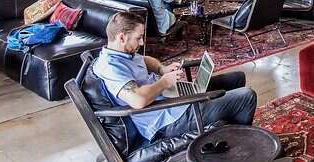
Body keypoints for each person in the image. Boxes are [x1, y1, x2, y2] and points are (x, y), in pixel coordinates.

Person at [90, 11, 256, 142]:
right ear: (121, 37)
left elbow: (144, 60)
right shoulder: (111, 67)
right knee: (246, 96)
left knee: (236, 78)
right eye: (138, 38)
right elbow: (138, 100)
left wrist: (161, 69)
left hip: (171, 100)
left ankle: (230, 134)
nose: (142, 43)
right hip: (166, 119)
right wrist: (164, 82)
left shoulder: (123, 53)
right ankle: (240, 148)